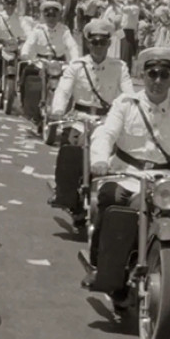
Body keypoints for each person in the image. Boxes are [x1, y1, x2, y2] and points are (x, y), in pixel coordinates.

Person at [86, 48, 170, 297]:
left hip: (165, 179)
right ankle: (101, 266)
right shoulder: (126, 104)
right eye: (152, 74)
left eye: (164, 75)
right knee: (111, 201)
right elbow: (106, 134)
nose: (157, 81)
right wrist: (100, 160)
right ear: (143, 75)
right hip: (127, 175)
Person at [48, 19, 134, 220]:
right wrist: (58, 109)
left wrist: (131, 112)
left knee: (118, 155)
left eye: (102, 42)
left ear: (109, 44)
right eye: (94, 42)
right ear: (88, 43)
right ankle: (65, 193)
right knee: (69, 150)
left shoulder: (119, 67)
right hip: (80, 118)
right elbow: (63, 90)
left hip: (107, 119)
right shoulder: (77, 66)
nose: (98, 47)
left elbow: (128, 94)